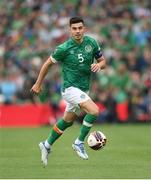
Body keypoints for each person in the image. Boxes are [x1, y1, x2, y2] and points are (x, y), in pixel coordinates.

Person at [31, 17, 106, 166]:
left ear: (84, 28)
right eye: (74, 28)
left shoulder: (92, 43)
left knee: (68, 121)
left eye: (80, 28)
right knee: (94, 111)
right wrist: (38, 83)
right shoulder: (64, 48)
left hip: (84, 88)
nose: (77, 31)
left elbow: (102, 61)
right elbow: (47, 64)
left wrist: (100, 66)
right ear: (70, 30)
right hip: (70, 89)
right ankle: (79, 142)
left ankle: (46, 144)